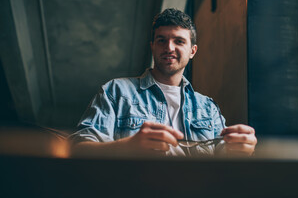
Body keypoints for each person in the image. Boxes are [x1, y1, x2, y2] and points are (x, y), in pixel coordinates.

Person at [70, 8, 257, 157]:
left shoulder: (208, 107)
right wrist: (128, 146)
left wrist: (242, 149)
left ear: (192, 51)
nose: (169, 47)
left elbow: (224, 165)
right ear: (152, 46)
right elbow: (78, 150)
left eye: (179, 41)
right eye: (161, 40)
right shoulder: (116, 91)